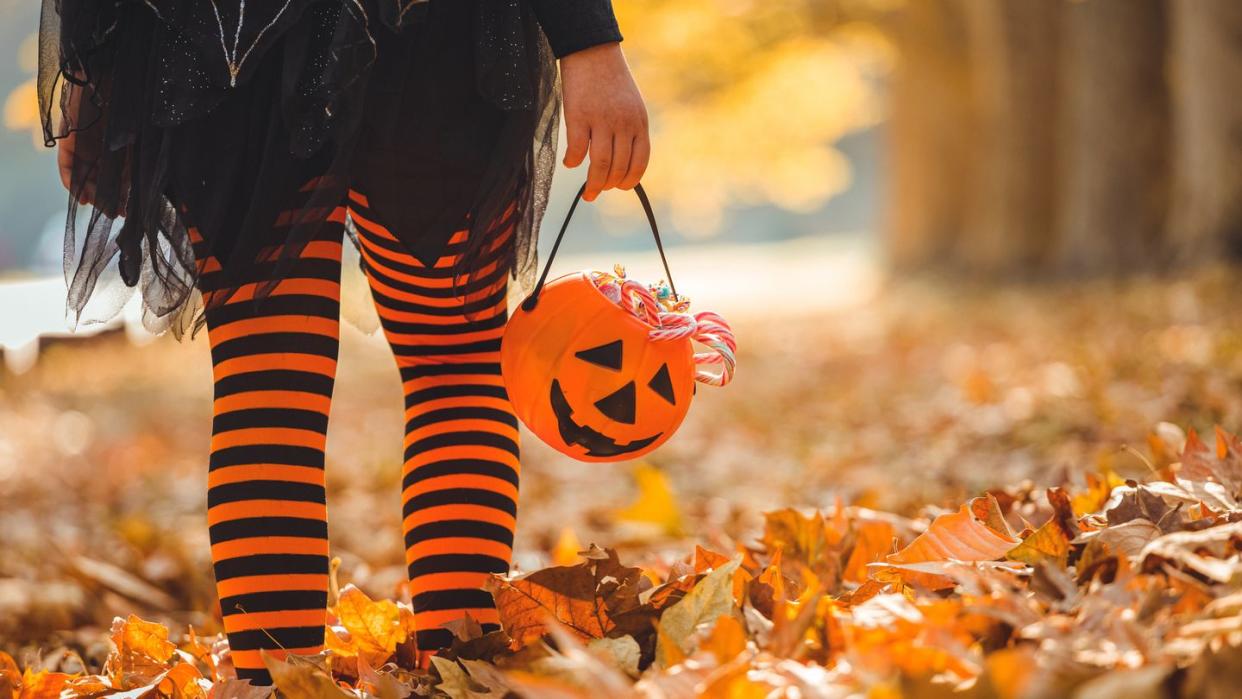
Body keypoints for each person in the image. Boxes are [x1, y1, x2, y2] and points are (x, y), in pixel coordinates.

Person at [39, 0, 649, 685]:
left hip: (236, 37)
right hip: (395, 37)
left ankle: (292, 681)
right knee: (444, 367)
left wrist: (94, 65)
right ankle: (452, 675)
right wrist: (587, 39)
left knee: (277, 381)